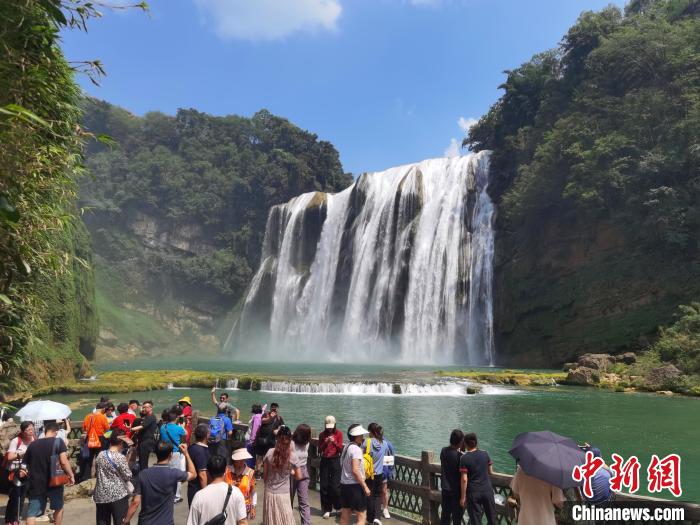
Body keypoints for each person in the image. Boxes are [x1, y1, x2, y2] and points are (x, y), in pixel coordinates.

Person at [123, 441, 196, 525]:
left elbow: (135, 502)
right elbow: (193, 474)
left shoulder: (143, 474)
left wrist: (126, 520)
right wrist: (186, 453)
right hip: (166, 522)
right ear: (171, 455)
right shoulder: (174, 474)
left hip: (145, 522)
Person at [22, 420, 75, 525]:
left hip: (36, 483)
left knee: (32, 513)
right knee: (58, 508)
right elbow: (64, 462)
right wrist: (71, 474)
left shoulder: (33, 444)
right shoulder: (58, 442)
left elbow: (25, 464)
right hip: (54, 481)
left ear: (46, 431)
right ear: (55, 432)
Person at [187, 454, 248, 525]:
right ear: (226, 470)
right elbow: (242, 522)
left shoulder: (199, 496)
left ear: (207, 472)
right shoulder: (236, 492)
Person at [263, 425, 301, 525]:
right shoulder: (293, 456)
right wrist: (291, 472)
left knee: (271, 520)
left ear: (277, 438)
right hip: (283, 494)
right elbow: (299, 477)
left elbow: (265, 476)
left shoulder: (269, 453)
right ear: (290, 440)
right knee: (286, 520)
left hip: (270, 492)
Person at [94, 431, 133, 525]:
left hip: (101, 493)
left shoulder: (100, 454)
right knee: (120, 521)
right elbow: (128, 475)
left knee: (102, 521)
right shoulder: (120, 457)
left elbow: (97, 471)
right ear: (121, 443)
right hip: (118, 494)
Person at [458, 432, 497, 525]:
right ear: (476, 443)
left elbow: (464, 479)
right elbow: (491, 472)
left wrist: (463, 498)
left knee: (476, 521)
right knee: (492, 519)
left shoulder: (464, 458)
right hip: (487, 490)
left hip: (473, 492)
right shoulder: (485, 453)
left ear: (466, 444)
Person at [4, 421, 35, 525]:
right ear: (22, 431)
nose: (31, 431)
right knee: (14, 497)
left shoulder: (34, 440)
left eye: (32, 429)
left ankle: (17, 518)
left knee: (22, 497)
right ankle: (9, 520)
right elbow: (9, 457)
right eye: (28, 430)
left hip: (26, 473)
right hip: (15, 472)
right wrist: (22, 454)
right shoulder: (16, 441)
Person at [340, 424, 371, 525]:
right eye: (361, 435)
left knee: (345, 514)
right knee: (362, 517)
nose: (363, 437)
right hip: (355, 486)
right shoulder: (356, 449)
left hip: (344, 484)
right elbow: (355, 470)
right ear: (357, 436)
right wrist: (365, 486)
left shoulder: (347, 446)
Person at [159, 410, 187, 504]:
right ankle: (176, 496)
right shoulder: (178, 428)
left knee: (165, 473)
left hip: (164, 452)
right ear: (176, 419)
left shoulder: (163, 427)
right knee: (176, 474)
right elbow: (184, 438)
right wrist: (182, 427)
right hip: (175, 453)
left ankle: (166, 493)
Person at [318, 414, 343, 519]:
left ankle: (338, 506)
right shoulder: (322, 435)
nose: (329, 429)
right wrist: (325, 442)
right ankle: (327, 509)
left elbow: (341, 449)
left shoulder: (339, 434)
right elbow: (319, 450)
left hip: (335, 460)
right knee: (324, 486)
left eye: (331, 427)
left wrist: (335, 442)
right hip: (324, 460)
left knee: (335, 486)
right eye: (328, 427)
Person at [440, 429, 464, 525]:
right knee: (457, 517)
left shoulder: (443, 451)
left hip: (445, 488)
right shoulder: (460, 456)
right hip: (456, 490)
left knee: (445, 514)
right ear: (460, 442)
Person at [81, 402, 110, 481]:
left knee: (88, 458)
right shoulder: (102, 417)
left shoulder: (88, 416)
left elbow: (83, 429)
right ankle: (99, 476)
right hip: (100, 439)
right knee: (100, 457)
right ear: (103, 408)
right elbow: (107, 428)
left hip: (89, 438)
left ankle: (86, 477)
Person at [226, 448, 257, 521]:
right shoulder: (227, 471)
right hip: (229, 507)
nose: (241, 462)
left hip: (245, 508)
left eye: (243, 459)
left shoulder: (250, 472)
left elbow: (253, 492)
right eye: (238, 460)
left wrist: (253, 507)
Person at [365, 423, 387, 525]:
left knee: (369, 495)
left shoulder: (367, 442)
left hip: (368, 474)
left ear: (372, 432)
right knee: (378, 495)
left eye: (369, 431)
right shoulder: (385, 444)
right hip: (379, 474)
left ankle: (369, 519)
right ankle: (377, 517)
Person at [291, 424, 312, 525]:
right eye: (308, 434)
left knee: (304, 502)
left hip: (303, 471)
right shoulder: (291, 443)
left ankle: (306, 523)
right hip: (291, 472)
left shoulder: (306, 443)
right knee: (288, 500)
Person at [254, 403, 283, 473]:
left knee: (269, 458)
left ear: (277, 409)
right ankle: (258, 471)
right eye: (272, 408)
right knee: (259, 457)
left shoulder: (279, 418)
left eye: (275, 408)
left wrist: (278, 430)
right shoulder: (266, 414)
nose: (274, 409)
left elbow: (282, 427)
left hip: (271, 441)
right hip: (262, 439)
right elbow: (263, 421)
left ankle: (265, 473)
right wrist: (270, 417)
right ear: (270, 408)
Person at [130, 401, 157, 473]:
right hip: (143, 441)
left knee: (143, 462)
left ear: (151, 408)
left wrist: (131, 429)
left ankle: (144, 478)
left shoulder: (151, 417)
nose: (144, 409)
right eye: (143, 407)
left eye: (146, 407)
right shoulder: (147, 417)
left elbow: (142, 426)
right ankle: (143, 477)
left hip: (146, 442)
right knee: (142, 461)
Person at [188, 424, 211, 506]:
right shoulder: (201, 451)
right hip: (199, 489)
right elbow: (202, 475)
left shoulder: (191, 447)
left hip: (192, 487)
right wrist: (205, 493)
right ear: (207, 435)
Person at [381, 436, 395, 520]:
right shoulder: (369, 442)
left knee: (384, 490)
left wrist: (388, 472)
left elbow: (390, 457)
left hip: (383, 472)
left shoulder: (387, 443)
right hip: (371, 472)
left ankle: (385, 509)